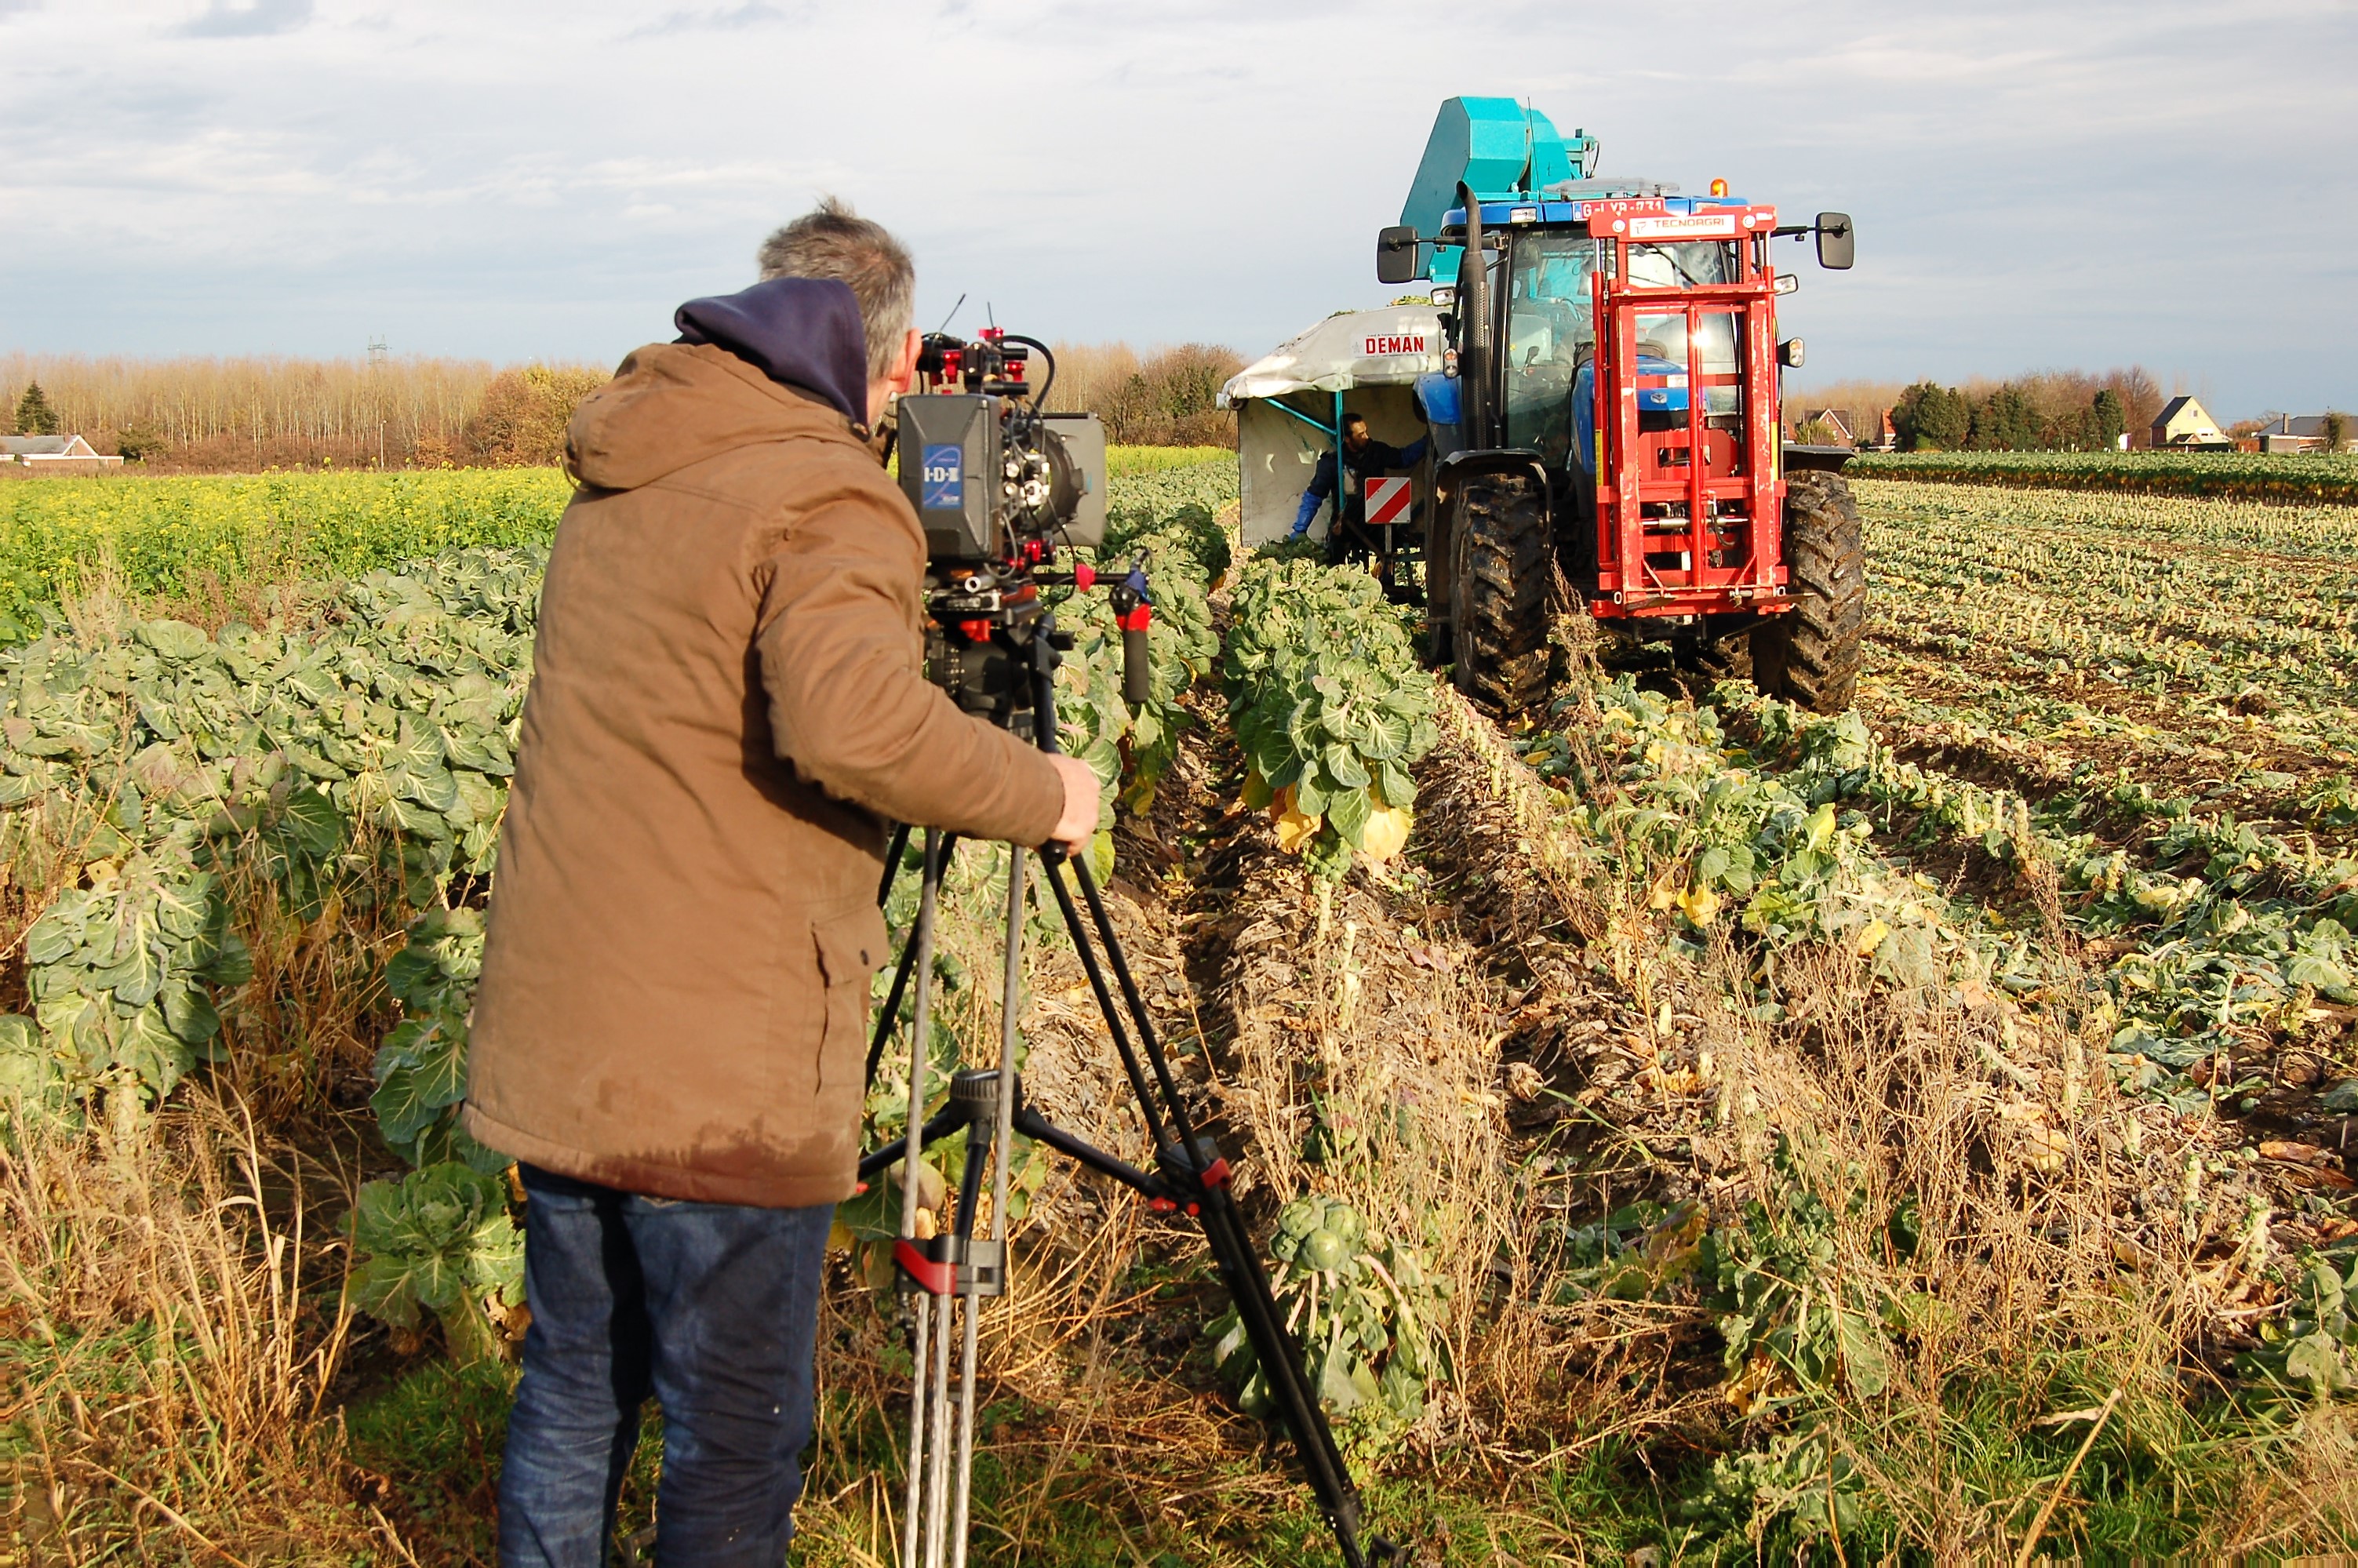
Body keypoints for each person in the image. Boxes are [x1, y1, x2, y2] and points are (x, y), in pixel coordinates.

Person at [463, 196, 1101, 1567]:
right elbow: (856, 727)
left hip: (562, 1041)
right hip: (715, 1082)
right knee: (732, 1427)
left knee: (577, 1382)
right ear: (898, 354)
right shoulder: (826, 491)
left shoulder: (623, 468)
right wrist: (1048, 789)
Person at [1289, 412, 1429, 566]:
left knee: (1390, 546)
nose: (1367, 437)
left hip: (1375, 526)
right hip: (1345, 525)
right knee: (1335, 555)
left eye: (1366, 431)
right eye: (1360, 434)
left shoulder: (1376, 451)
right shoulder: (1331, 463)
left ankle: (1385, 581)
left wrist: (1427, 440)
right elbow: (1313, 497)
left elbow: (1404, 458)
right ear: (1347, 439)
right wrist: (1299, 530)